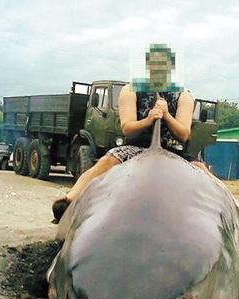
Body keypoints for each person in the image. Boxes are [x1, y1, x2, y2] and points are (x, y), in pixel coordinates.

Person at [52, 43, 208, 223]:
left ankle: (236, 205)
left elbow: (184, 134)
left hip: (174, 151)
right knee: (106, 162)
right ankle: (69, 200)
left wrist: (167, 116)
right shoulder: (130, 90)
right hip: (135, 147)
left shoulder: (184, 95)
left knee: (202, 169)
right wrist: (149, 119)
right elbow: (127, 127)